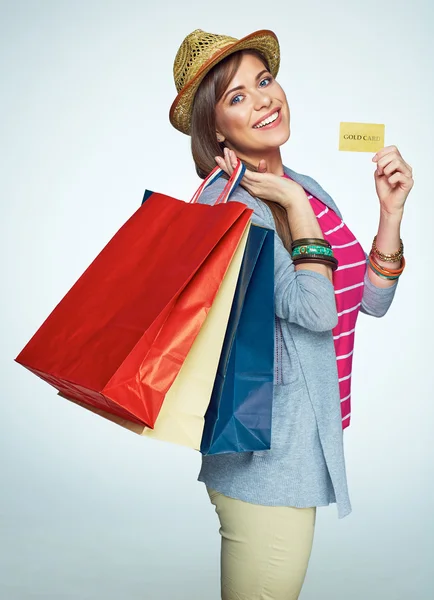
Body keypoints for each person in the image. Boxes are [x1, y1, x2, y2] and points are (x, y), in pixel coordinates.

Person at [169, 28, 413, 600]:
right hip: (265, 455)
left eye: (264, 80)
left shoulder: (303, 187)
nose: (262, 99)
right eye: (236, 97)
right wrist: (295, 206)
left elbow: (368, 301)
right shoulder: (231, 207)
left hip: (297, 443)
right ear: (214, 128)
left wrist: (390, 214)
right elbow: (317, 311)